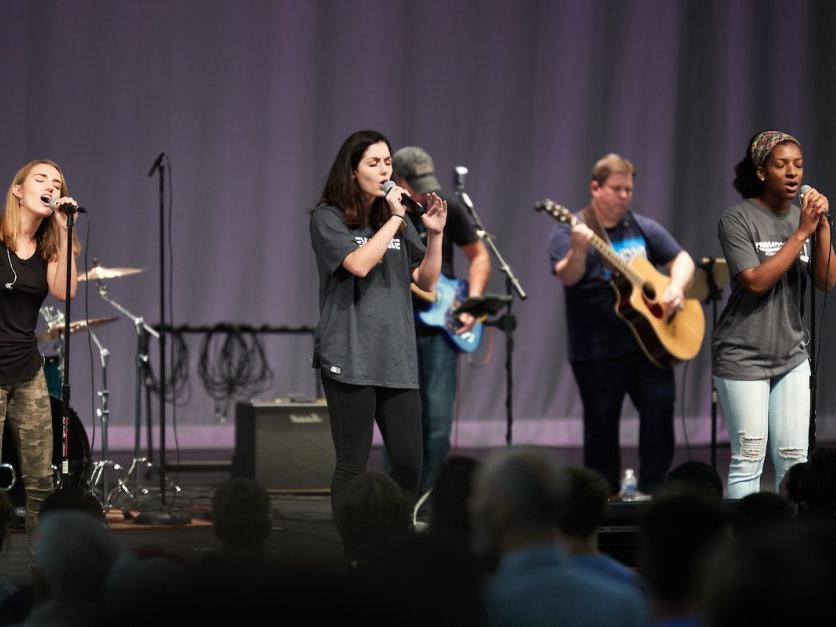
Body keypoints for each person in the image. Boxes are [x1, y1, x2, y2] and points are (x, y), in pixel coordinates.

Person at [309, 130, 447, 545]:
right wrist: (395, 219)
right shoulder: (328, 217)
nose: (385, 170)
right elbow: (358, 264)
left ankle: (396, 545)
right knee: (353, 464)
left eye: (388, 162)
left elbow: (426, 281)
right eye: (374, 163)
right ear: (352, 171)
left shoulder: (394, 218)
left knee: (408, 462)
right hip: (349, 354)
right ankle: (356, 551)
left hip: (395, 355)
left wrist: (436, 233)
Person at [548, 153, 696, 495]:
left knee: (660, 414)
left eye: (629, 189)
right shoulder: (569, 229)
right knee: (600, 426)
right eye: (616, 189)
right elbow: (568, 277)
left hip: (650, 345)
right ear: (595, 188)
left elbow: (682, 259)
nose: (624, 195)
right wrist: (579, 250)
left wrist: (674, 287)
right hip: (596, 349)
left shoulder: (641, 226)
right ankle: (604, 498)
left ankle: (654, 489)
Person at [713, 131, 836, 499]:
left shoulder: (806, 221)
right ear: (762, 172)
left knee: (794, 459)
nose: (792, 172)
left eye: (798, 164)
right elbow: (755, 282)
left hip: (792, 356)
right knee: (748, 458)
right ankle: (742, 548)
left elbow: (826, 281)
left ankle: (788, 548)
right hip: (743, 354)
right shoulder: (738, 219)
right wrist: (801, 234)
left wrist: (823, 227)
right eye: (781, 165)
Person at [391, 146, 491, 494]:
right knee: (401, 421)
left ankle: (430, 501)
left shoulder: (444, 206)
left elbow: (479, 256)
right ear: (399, 180)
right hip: (398, 329)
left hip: (439, 327)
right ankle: (399, 500)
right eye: (416, 185)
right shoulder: (387, 213)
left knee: (437, 422)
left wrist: (471, 301)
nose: (424, 192)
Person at [0, 160, 79, 558]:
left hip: (27, 370)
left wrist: (65, 232)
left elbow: (64, 292)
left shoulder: (51, 246)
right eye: (41, 179)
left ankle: (46, 586)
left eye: (57, 182)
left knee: (40, 484)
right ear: (18, 191)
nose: (51, 186)